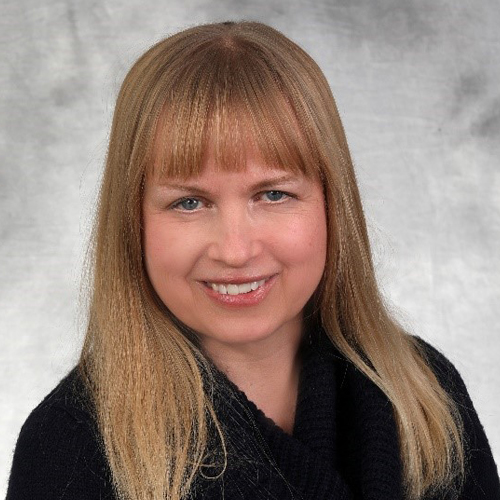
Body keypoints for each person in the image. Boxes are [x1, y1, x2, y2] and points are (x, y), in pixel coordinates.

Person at [6, 21, 500, 500]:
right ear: (133, 224)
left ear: (333, 204)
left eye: (274, 194)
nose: (236, 250)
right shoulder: (69, 448)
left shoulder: (428, 396)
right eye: (189, 202)